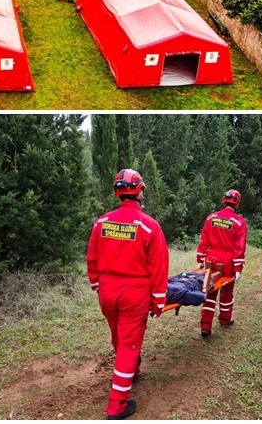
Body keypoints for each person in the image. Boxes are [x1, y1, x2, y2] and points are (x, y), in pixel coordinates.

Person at [86, 169, 169, 420]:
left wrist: (97, 284)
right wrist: (159, 300)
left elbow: (92, 257)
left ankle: (132, 370)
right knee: (128, 346)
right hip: (134, 294)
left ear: (117, 193)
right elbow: (158, 267)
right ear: (140, 191)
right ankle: (117, 406)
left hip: (107, 293)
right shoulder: (149, 226)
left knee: (119, 338)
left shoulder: (102, 223)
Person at [196, 189, 247, 337]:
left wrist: (200, 259)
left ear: (223, 201)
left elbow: (203, 241)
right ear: (237, 203)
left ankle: (205, 325)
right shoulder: (239, 222)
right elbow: (239, 247)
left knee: (210, 290)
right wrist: (238, 268)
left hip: (211, 258)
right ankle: (225, 320)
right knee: (227, 293)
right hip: (228, 261)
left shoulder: (211, 218)